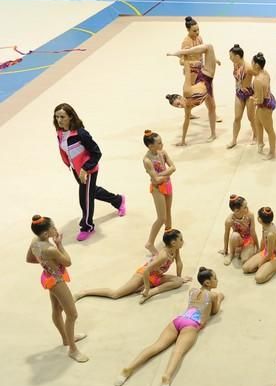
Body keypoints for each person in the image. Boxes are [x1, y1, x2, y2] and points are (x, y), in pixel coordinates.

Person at [114, 267, 224, 386]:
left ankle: (128, 369)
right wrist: (220, 298)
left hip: (178, 320)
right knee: (178, 352)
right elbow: (214, 311)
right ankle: (166, 377)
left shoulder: (192, 291)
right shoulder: (212, 295)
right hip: (192, 324)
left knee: (156, 345)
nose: (217, 280)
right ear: (207, 282)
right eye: (215, 278)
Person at [53, 103, 125, 241]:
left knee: (84, 198)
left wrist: (85, 169)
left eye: (62, 116)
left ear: (70, 117)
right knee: (91, 192)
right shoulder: (60, 133)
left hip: (88, 170)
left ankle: (87, 226)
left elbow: (96, 153)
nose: (59, 120)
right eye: (57, 117)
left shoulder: (81, 134)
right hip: (76, 170)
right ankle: (118, 200)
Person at [26, 215, 87, 362]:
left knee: (57, 310)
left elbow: (29, 258)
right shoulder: (50, 249)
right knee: (72, 315)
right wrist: (59, 245)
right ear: (47, 234)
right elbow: (68, 262)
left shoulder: (34, 242)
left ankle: (66, 339)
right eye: (53, 227)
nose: (56, 229)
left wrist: (45, 263)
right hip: (57, 281)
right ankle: (72, 349)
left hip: (48, 276)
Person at [75, 229, 191, 304]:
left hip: (156, 276)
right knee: (116, 294)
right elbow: (146, 271)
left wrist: (180, 277)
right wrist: (146, 287)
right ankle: (84, 292)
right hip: (143, 275)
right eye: (181, 239)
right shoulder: (163, 256)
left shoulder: (175, 250)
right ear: (173, 243)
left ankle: (151, 292)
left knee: (178, 282)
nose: (183, 241)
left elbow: (179, 263)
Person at [165, 43, 219, 145]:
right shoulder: (188, 108)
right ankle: (213, 134)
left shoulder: (186, 91)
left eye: (178, 103)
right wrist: (183, 141)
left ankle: (182, 52)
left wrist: (184, 55)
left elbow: (187, 72)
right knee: (212, 108)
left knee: (209, 47)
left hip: (205, 76)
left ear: (181, 98)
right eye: (178, 107)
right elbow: (186, 123)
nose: (180, 106)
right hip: (207, 92)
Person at [142, 130, 175, 256]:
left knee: (168, 213)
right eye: (159, 143)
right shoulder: (147, 160)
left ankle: (169, 238)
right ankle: (150, 243)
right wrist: (165, 174)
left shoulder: (163, 152)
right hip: (157, 189)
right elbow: (156, 180)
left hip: (167, 185)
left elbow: (173, 167)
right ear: (151, 146)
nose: (162, 145)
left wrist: (161, 175)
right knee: (162, 218)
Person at [242, 206, 276, 284]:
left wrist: (260, 264)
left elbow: (270, 253)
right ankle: (266, 267)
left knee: (258, 278)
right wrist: (259, 252)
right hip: (267, 252)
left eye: (258, 216)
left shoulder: (271, 234)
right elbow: (263, 241)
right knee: (246, 268)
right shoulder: (265, 225)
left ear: (260, 219)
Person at [227, 44, 255, 149]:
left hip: (249, 94)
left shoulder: (248, 67)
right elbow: (237, 78)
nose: (230, 58)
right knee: (237, 117)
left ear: (237, 56)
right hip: (239, 93)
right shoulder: (236, 65)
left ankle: (256, 136)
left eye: (231, 56)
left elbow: (259, 76)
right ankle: (234, 139)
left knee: (251, 117)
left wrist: (257, 93)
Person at [251, 52, 276, 159]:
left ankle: (272, 152)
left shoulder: (257, 80)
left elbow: (260, 100)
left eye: (252, 62)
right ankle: (260, 143)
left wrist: (253, 99)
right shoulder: (265, 73)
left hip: (264, 106)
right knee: (257, 123)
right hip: (268, 99)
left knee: (269, 130)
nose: (251, 64)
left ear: (257, 65)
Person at [220, 195, 259, 266]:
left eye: (247, 206)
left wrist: (257, 246)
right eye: (245, 207)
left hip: (248, 241)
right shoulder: (229, 220)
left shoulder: (250, 215)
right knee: (234, 235)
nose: (247, 208)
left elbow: (253, 231)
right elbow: (226, 235)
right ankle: (232, 254)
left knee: (244, 260)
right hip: (238, 240)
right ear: (236, 210)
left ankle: (243, 251)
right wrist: (225, 250)